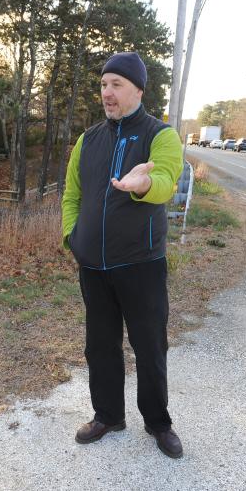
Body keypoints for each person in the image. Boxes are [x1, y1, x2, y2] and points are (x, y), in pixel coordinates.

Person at [61, 52, 185, 459]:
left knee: (149, 346)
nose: (107, 93)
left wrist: (143, 182)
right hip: (93, 266)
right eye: (103, 85)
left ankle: (158, 422)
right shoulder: (88, 139)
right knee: (100, 345)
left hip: (141, 264)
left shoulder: (160, 135)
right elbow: (72, 195)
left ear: (138, 90)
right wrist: (71, 236)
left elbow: (167, 180)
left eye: (116, 84)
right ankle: (108, 415)